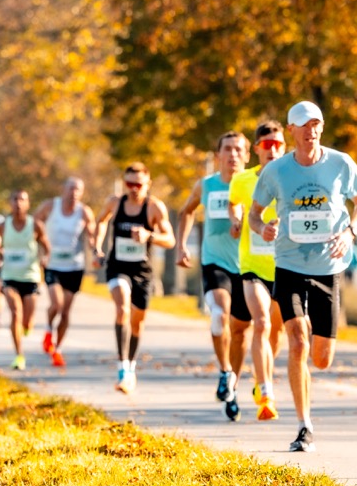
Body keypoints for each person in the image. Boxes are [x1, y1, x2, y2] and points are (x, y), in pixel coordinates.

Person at [247, 101, 357, 453]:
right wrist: (263, 228)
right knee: (297, 341)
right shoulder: (276, 172)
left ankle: (306, 413)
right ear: (291, 131)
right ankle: (304, 425)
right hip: (288, 264)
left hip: (329, 267)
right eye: (303, 125)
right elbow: (256, 214)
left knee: (321, 358)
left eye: (316, 124)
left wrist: (350, 231)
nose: (310, 130)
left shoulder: (340, 163)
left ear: (321, 127)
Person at [176, 132, 252, 420]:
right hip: (215, 261)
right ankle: (224, 371)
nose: (232, 155)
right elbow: (185, 212)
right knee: (220, 313)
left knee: (241, 331)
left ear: (246, 156)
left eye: (238, 150)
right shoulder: (206, 185)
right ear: (218, 155)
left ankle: (233, 385)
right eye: (227, 149)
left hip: (247, 265)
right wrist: (181, 245)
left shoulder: (255, 185)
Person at [93, 162, 177, 393]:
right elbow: (100, 221)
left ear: (147, 184)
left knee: (137, 322)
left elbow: (170, 239)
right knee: (122, 306)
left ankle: (130, 367)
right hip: (117, 267)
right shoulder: (115, 202)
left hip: (142, 271)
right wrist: (97, 247)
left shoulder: (154, 208)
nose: (133, 188)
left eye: (138, 184)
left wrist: (149, 235)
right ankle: (122, 367)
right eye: (129, 183)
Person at [229, 121, 287, 421]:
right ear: (257, 149)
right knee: (261, 322)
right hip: (251, 266)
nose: (273, 149)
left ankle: (259, 375)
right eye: (267, 145)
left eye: (278, 144)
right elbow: (234, 203)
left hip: (284, 266)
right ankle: (266, 393)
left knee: (276, 332)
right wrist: (237, 220)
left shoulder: (292, 177)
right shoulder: (241, 180)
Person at [34, 177, 97, 368]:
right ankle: (48, 330)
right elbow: (34, 224)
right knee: (56, 304)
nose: (74, 193)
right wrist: (41, 247)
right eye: (71, 188)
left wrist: (96, 251)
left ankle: (58, 349)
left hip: (74, 266)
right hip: (53, 264)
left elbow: (92, 236)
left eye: (78, 190)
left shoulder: (84, 212)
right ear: (64, 189)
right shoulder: (49, 206)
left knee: (66, 311)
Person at [0, 190, 50, 370]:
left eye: (22, 200)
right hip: (10, 277)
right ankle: (19, 355)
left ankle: (26, 326)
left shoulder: (35, 225)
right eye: (15, 199)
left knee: (27, 320)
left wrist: (45, 258)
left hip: (30, 277)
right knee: (15, 313)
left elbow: (47, 248)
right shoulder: (4, 226)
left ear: (28, 204)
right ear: (10, 203)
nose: (18, 203)